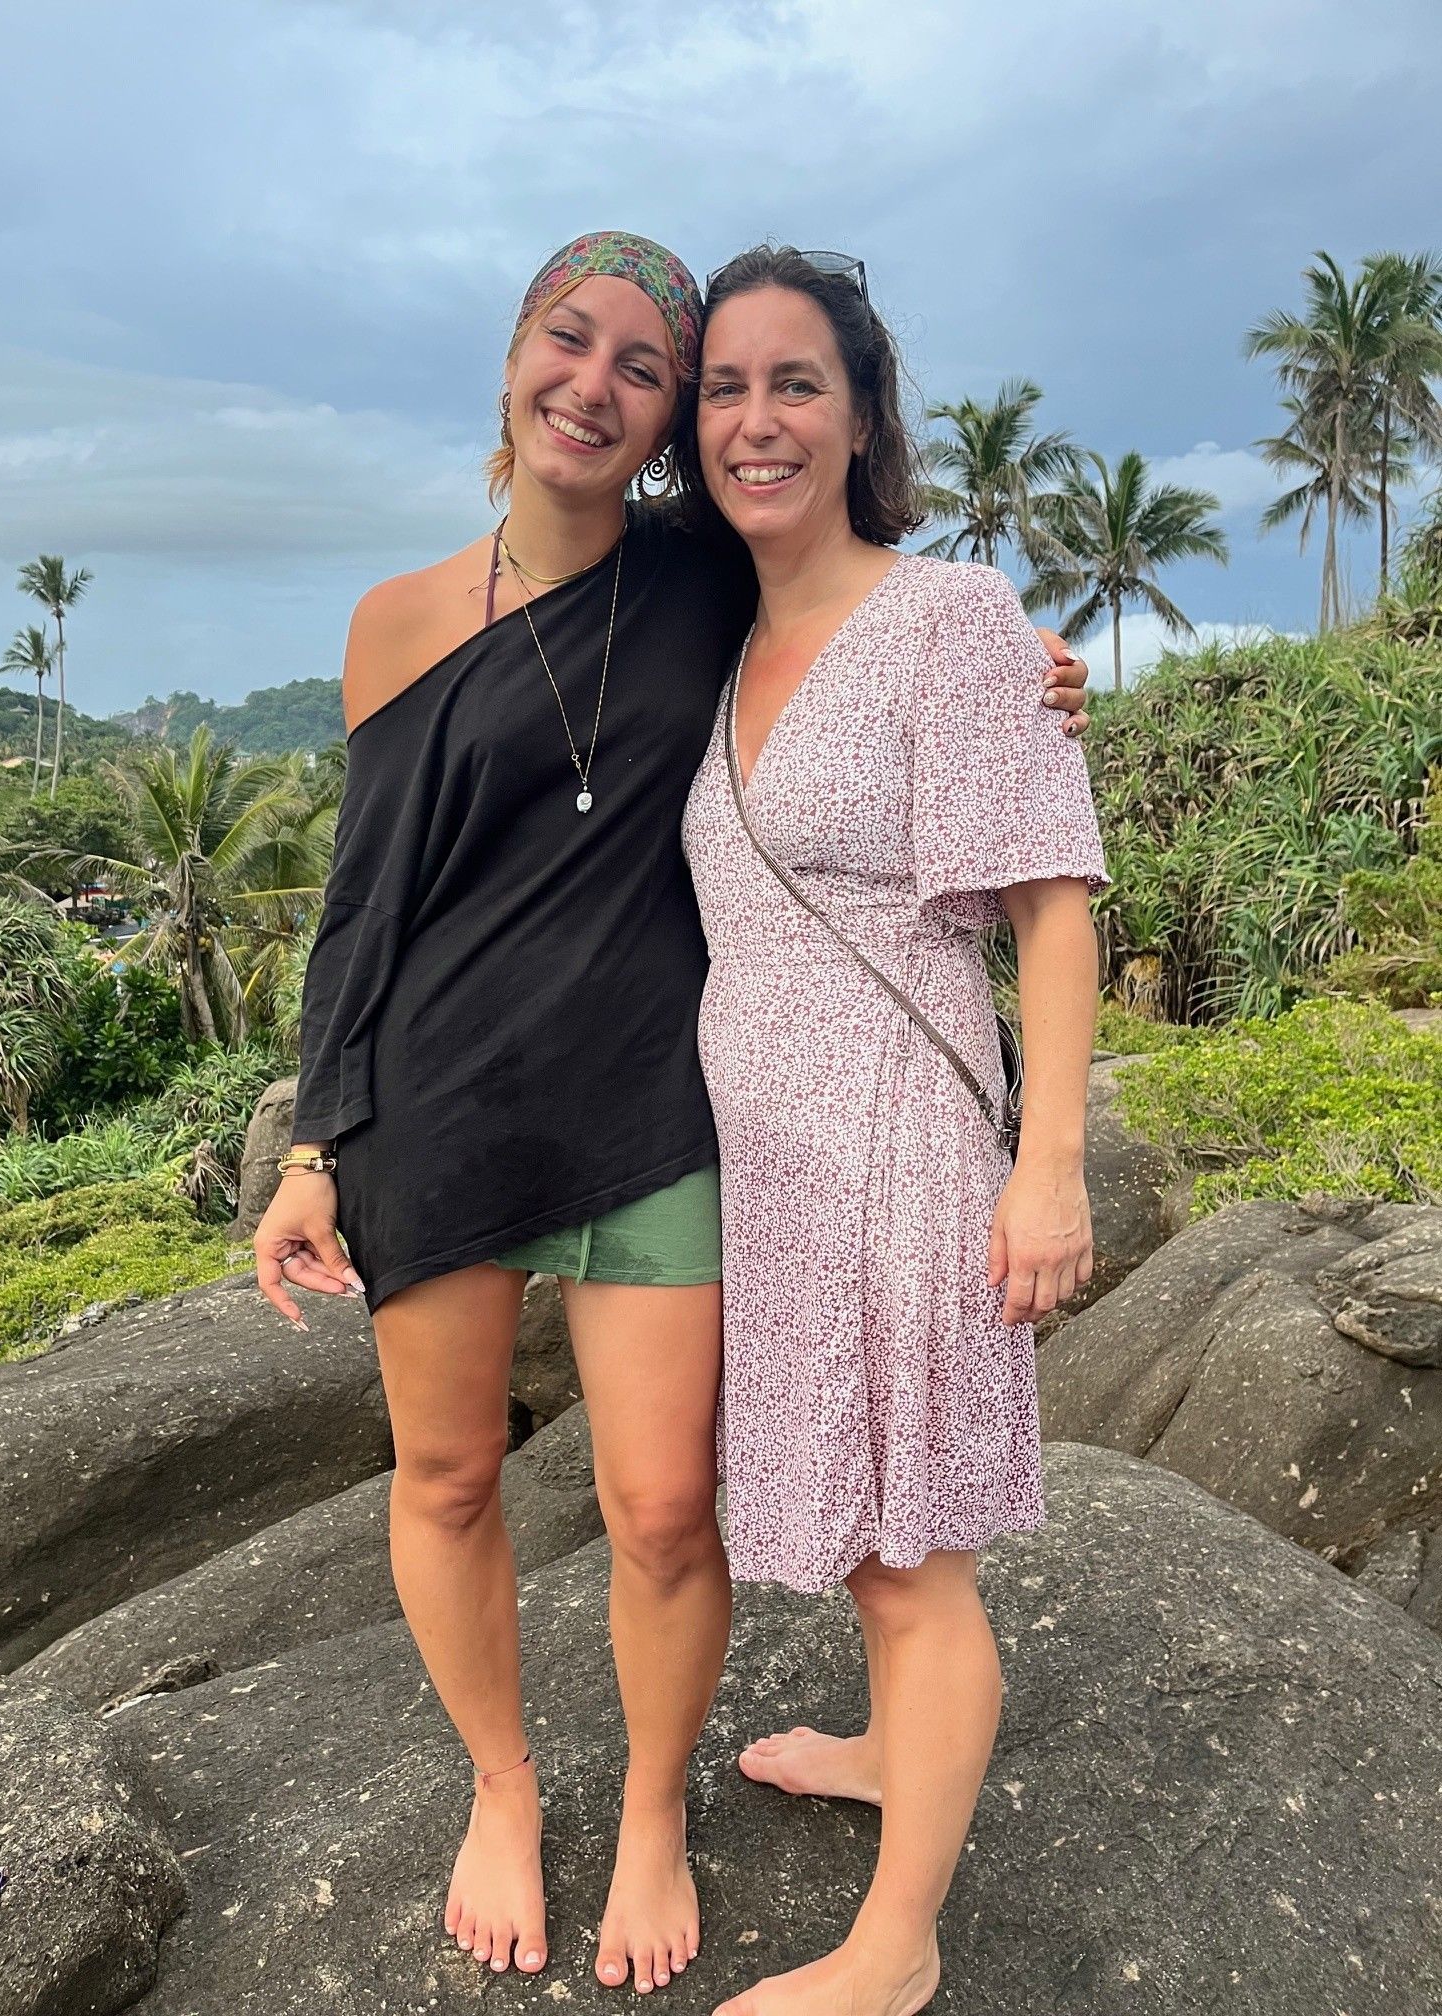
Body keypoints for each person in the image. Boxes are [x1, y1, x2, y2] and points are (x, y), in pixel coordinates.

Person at [252, 231, 1091, 1997]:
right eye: (576, 342)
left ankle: (653, 1813)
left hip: (664, 1113)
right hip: (447, 1119)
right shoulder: (401, 620)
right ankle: (502, 1790)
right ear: (512, 353)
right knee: (448, 1477)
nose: (602, 387)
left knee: (659, 1511)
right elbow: (361, 903)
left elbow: (898, 640)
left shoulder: (705, 579)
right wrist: (315, 1147)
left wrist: (1033, 672)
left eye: (649, 367)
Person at [679, 246, 1108, 2016]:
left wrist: (1051, 1163)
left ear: (863, 419)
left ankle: (898, 1947)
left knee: (918, 1556)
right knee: (873, 1528)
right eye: (724, 386)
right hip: (775, 1176)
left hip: (899, 1151)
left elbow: (1055, 902)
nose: (757, 418)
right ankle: (887, 1749)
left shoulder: (947, 618)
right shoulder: (717, 639)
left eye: (797, 382)